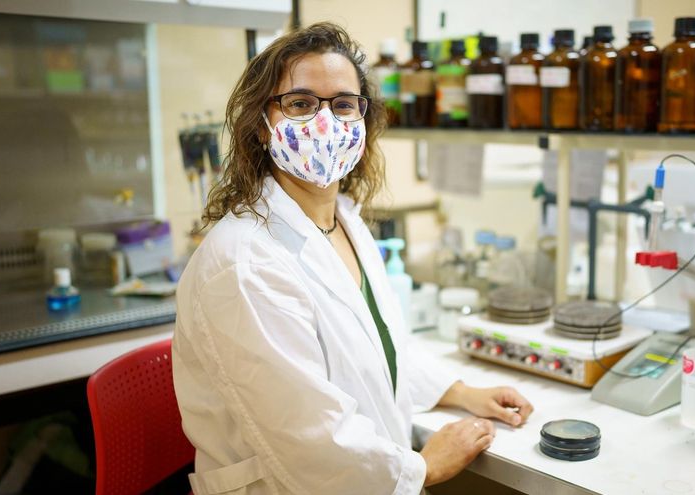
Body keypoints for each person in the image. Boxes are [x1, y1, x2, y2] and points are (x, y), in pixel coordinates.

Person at [172, 22, 533, 494]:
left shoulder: (345, 222)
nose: (326, 124)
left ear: (363, 122)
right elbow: (308, 435)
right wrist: (423, 469)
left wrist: (461, 392)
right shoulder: (245, 263)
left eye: (343, 104)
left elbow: (377, 351)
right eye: (301, 104)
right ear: (261, 126)